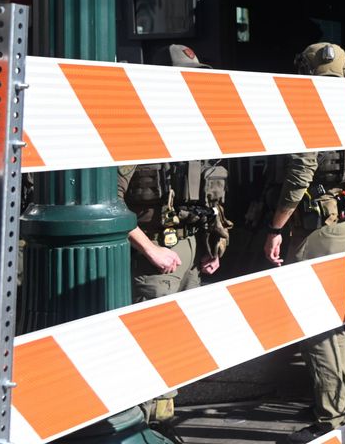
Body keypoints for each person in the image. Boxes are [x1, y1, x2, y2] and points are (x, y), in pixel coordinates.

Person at [119, 44, 232, 422]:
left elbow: (207, 199)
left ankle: (163, 418)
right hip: (155, 257)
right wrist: (149, 249)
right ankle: (145, 421)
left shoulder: (194, 132)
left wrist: (212, 245)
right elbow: (110, 202)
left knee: (180, 340)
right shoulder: (135, 130)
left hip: (190, 252)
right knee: (151, 342)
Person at [264, 43, 345, 443]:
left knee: (320, 324)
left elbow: (301, 173)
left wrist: (276, 227)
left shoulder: (312, 108)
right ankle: (336, 402)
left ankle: (331, 417)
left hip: (314, 230)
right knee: (336, 320)